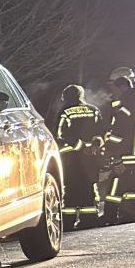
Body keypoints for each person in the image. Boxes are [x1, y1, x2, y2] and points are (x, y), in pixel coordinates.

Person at [101, 67, 135, 224]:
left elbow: (121, 128)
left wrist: (111, 150)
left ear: (122, 85)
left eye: (113, 86)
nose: (111, 90)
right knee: (126, 185)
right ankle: (121, 214)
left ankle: (120, 215)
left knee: (122, 184)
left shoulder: (128, 101)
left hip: (126, 152)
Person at [54, 85, 105, 229]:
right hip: (91, 158)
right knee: (89, 186)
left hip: (70, 158)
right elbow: (102, 132)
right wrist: (94, 146)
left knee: (70, 188)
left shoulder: (65, 112)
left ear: (65, 97)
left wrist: (81, 147)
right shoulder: (94, 110)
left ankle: (68, 221)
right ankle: (89, 219)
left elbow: (60, 134)